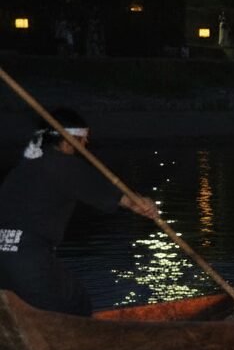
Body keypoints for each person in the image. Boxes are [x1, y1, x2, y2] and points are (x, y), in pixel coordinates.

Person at [0, 108, 159, 316]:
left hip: (4, 257)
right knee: (75, 305)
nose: (85, 146)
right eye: (83, 140)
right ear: (69, 141)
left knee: (26, 313)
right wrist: (143, 204)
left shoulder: (22, 168)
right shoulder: (65, 165)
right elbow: (125, 200)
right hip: (28, 258)